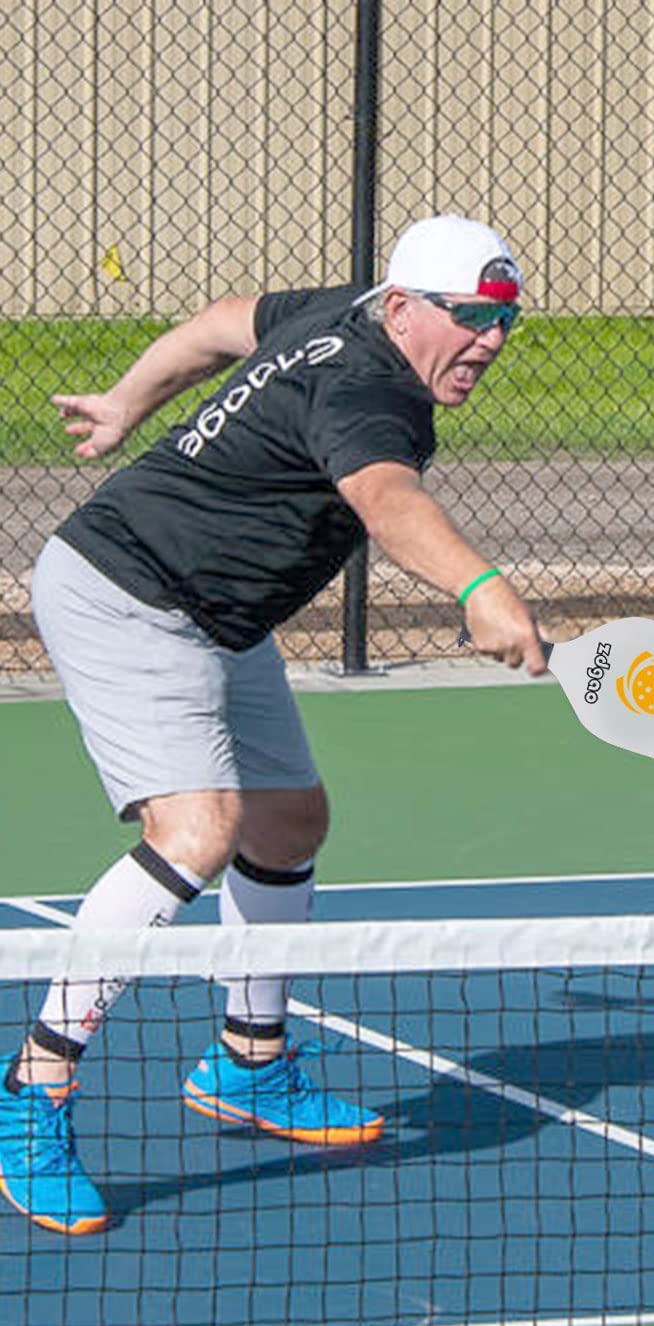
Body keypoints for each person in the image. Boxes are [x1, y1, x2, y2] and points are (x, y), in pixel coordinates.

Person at [0, 214, 547, 1234]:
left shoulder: (344, 311)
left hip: (218, 610)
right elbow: (386, 501)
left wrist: (128, 400)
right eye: (471, 317)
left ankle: (248, 1062)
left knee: (288, 823)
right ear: (403, 306)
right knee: (197, 830)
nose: (490, 341)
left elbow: (217, 325)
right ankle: (30, 1092)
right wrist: (480, 586)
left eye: (507, 320)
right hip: (128, 591)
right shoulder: (370, 387)